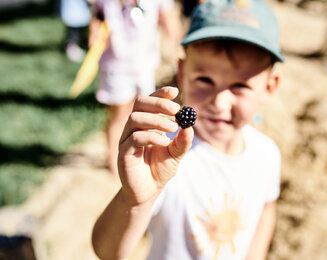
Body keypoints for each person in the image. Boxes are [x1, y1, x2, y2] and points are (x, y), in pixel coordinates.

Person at [92, 0, 284, 259]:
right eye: (205, 80)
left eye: (240, 86)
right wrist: (133, 200)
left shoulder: (267, 155)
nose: (219, 101)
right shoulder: (163, 156)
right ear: (182, 73)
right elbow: (107, 252)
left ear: (269, 87)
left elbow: (266, 210)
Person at [90, 0, 182, 177]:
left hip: (144, 64)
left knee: (144, 111)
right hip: (116, 65)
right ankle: (113, 159)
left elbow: (167, 17)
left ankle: (141, 153)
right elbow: (98, 16)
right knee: (119, 113)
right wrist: (95, 32)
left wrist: (174, 42)